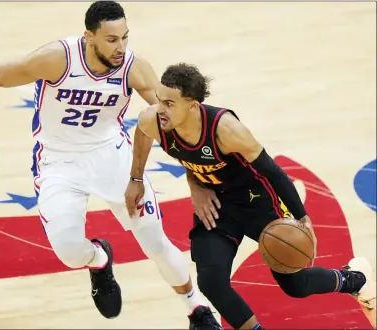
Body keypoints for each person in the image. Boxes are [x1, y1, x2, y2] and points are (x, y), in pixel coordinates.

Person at [0, 2, 222, 329]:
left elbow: (171, 121)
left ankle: (196, 308)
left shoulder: (133, 68)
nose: (121, 47)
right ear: (89, 36)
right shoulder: (58, 59)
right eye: (112, 39)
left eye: (125, 38)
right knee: (70, 253)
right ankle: (99, 259)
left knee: (155, 242)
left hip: (111, 157)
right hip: (58, 163)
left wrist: (196, 178)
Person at [124, 62, 376, 330]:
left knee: (295, 284)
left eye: (169, 103)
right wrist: (137, 178)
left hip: (256, 200)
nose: (160, 108)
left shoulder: (227, 130)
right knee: (211, 282)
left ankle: (355, 279)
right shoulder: (154, 120)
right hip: (217, 204)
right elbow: (142, 132)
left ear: (193, 106)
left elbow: (274, 173)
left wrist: (303, 219)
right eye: (160, 99)